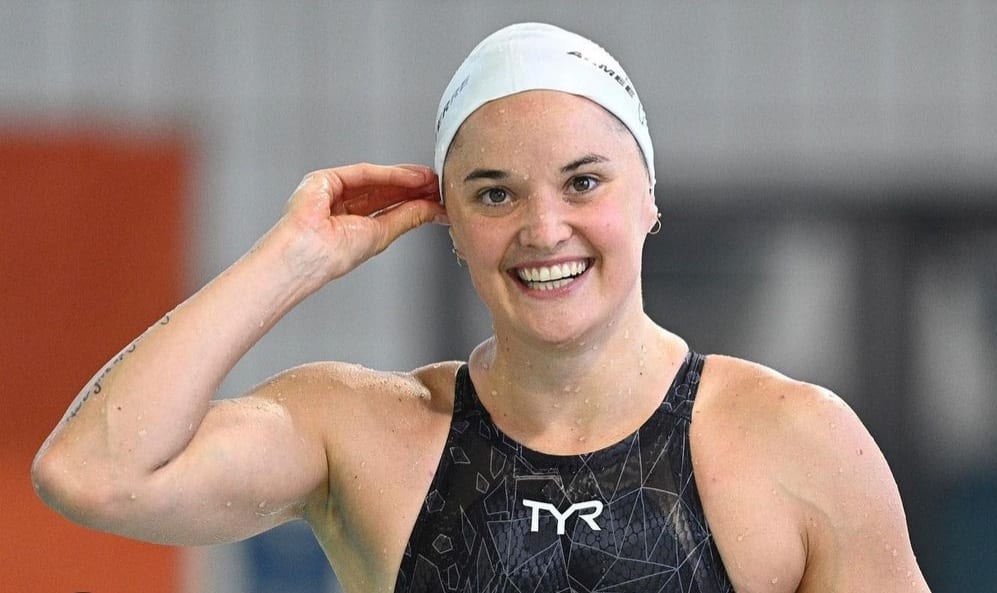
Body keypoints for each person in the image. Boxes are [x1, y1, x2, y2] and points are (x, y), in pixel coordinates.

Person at [32, 22, 931, 593]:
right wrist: (291, 259)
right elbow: (94, 473)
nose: (546, 228)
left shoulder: (792, 440)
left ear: (649, 197)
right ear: (448, 222)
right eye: (495, 194)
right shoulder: (366, 432)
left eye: (583, 181)